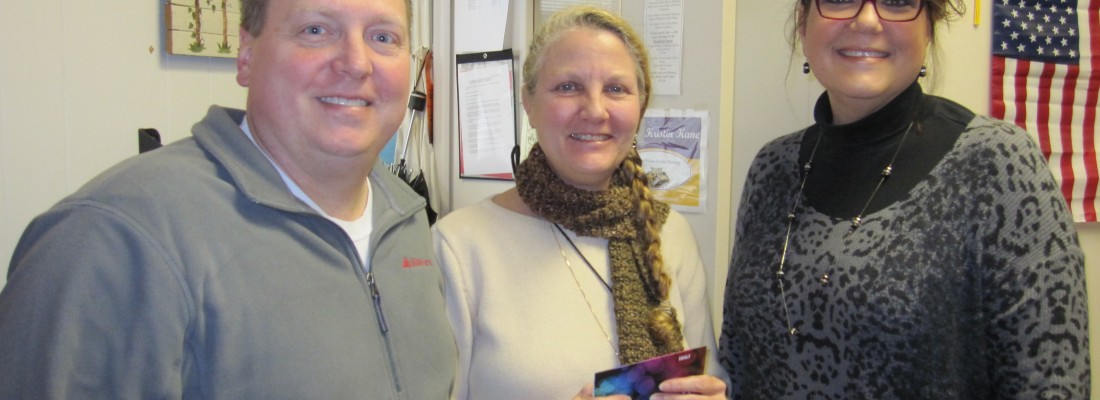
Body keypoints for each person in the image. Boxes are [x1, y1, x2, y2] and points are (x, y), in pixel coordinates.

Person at [0, 0, 456, 398]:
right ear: (246, 55)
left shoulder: (406, 219)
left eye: (383, 37)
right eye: (316, 29)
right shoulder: (112, 240)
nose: (356, 63)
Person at [719, 0, 1089, 398]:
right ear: (802, 23)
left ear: (929, 27)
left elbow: (1052, 385)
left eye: (897, 2)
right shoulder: (772, 169)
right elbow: (738, 363)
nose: (866, 21)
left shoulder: (996, 164)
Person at [432, 6, 728, 400]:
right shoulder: (459, 246)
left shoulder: (671, 234)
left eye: (616, 89)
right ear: (529, 103)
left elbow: (708, 377)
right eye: (568, 86)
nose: (595, 110)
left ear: (640, 107)